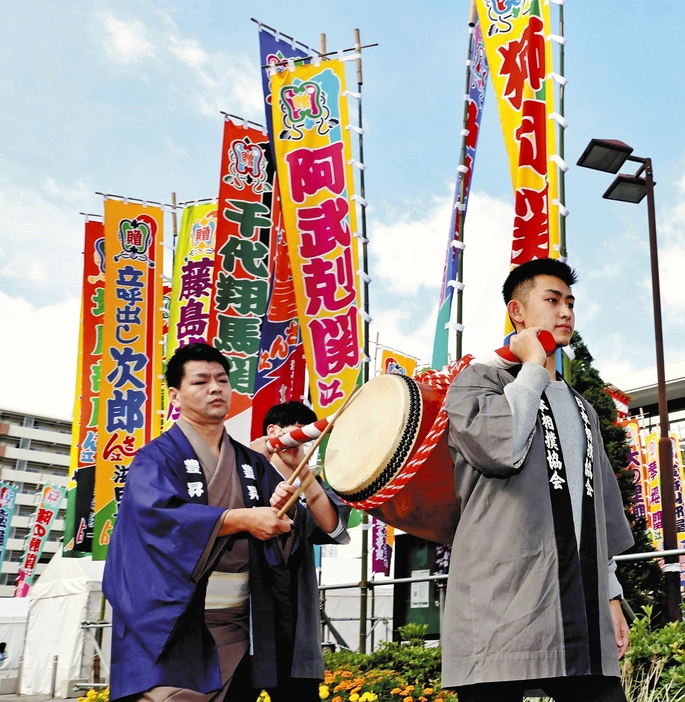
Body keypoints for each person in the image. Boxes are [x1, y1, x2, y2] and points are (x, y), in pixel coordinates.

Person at [441, 258, 634, 702]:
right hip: (498, 601)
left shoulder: (584, 409)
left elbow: (598, 511)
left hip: (579, 603)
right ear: (518, 312)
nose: (565, 311)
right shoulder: (475, 383)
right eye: (552, 300)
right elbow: (503, 448)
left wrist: (611, 597)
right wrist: (531, 368)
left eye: (570, 302)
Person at [103, 343, 310, 702]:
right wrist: (239, 518)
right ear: (175, 395)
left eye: (222, 379)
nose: (215, 388)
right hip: (172, 619)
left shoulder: (252, 462)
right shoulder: (156, 457)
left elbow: (285, 530)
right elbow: (157, 517)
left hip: (238, 622)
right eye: (201, 381)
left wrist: (282, 511)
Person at [250, 401, 351, 702]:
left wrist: (303, 472)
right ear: (274, 431)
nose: (305, 445)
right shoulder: (243, 473)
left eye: (311, 440)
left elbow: (333, 527)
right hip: (247, 628)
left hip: (294, 634)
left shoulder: (310, 490)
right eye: (301, 434)